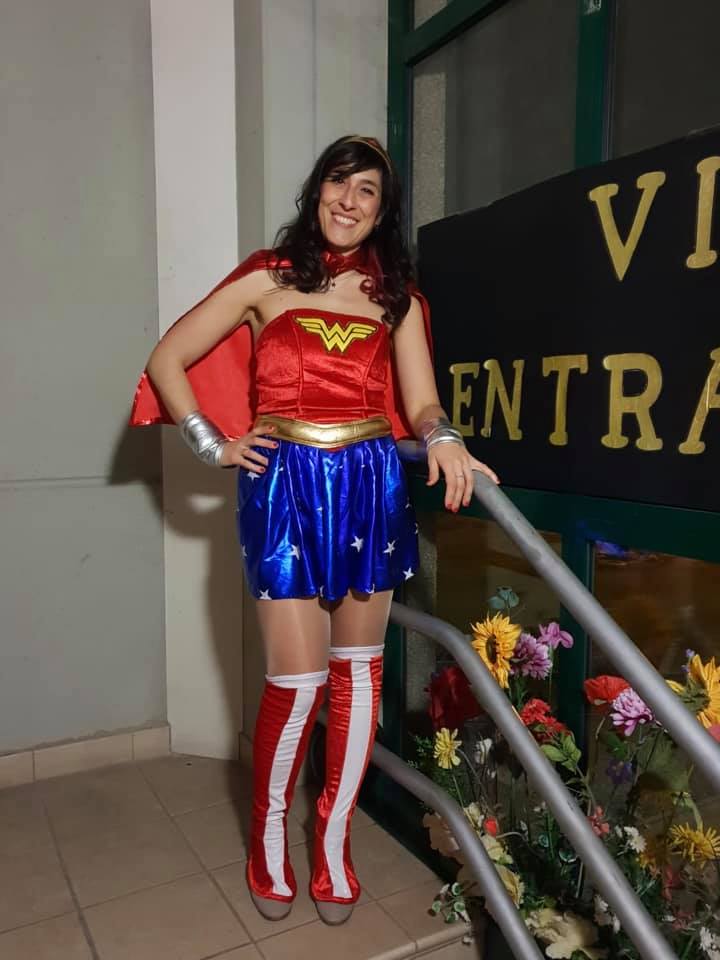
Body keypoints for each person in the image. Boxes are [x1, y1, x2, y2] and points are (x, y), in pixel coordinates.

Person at [131, 134, 498, 926]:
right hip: (283, 486)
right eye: (340, 182)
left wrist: (442, 437)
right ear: (318, 189)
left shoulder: (397, 297)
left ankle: (333, 839)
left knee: (358, 677)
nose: (350, 201)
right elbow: (167, 359)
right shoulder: (267, 277)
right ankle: (268, 836)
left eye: (368, 191)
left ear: (383, 210)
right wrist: (211, 443)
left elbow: (421, 401)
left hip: (370, 483)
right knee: (296, 684)